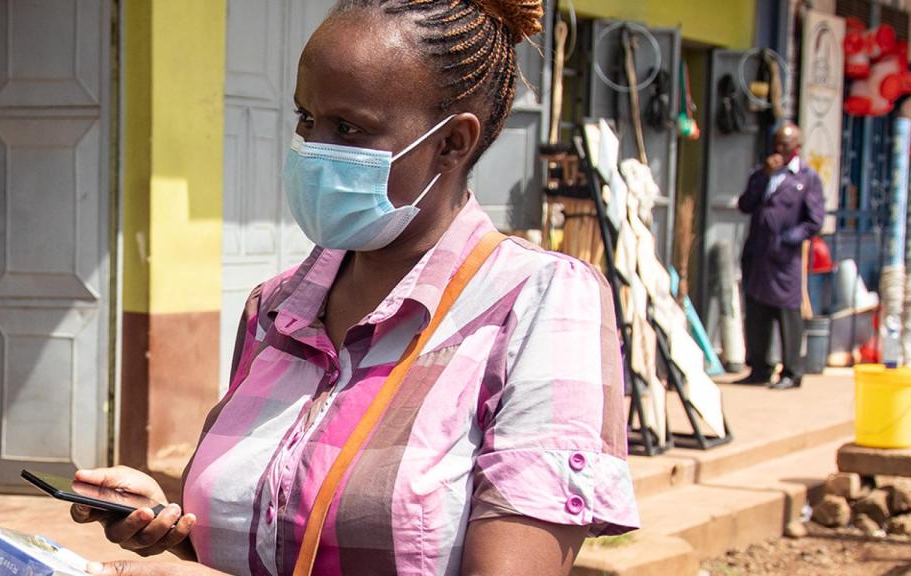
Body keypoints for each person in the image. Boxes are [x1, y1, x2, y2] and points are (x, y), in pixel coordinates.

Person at [71, 1, 640, 574]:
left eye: (348, 127)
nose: (313, 148)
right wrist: (173, 528)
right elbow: (285, 533)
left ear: (452, 143)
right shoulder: (275, 309)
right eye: (305, 119)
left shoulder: (539, 303)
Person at [735, 122, 824, 391]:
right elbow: (745, 205)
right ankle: (760, 367)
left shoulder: (806, 178)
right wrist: (763, 176)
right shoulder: (763, 173)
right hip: (758, 255)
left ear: (796, 147)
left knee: (787, 313)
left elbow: (814, 221)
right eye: (775, 143)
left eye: (784, 145)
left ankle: (792, 371)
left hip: (784, 259)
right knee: (757, 312)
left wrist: (788, 239)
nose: (778, 149)